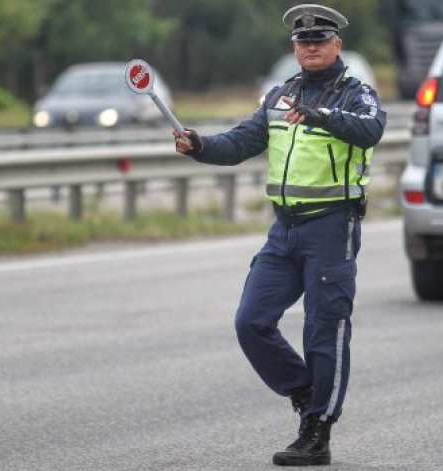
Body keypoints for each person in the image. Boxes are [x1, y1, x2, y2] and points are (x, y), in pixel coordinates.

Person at [173, 3, 386, 467]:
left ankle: (317, 431)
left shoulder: (355, 93)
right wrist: (200, 146)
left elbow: (372, 130)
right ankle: (309, 393)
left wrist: (321, 116)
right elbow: (241, 142)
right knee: (251, 321)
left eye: (319, 41)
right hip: (284, 229)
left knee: (322, 327)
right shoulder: (279, 95)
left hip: (332, 226)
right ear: (295, 48)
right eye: (303, 42)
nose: (310, 47)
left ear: (336, 45)